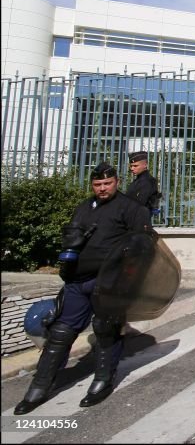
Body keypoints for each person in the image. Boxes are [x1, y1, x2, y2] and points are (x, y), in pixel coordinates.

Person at [14, 162, 152, 414]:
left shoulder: (132, 209)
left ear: (117, 182)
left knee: (105, 329)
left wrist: (128, 281)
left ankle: (103, 380)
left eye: (107, 184)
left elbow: (144, 248)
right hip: (78, 281)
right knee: (61, 332)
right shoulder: (84, 208)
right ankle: (40, 386)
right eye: (97, 184)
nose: (102, 188)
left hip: (110, 281)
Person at [125, 150, 161, 216]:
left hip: (139, 220)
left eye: (135, 166)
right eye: (131, 166)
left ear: (145, 165)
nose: (132, 169)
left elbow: (139, 204)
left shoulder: (147, 181)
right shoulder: (139, 180)